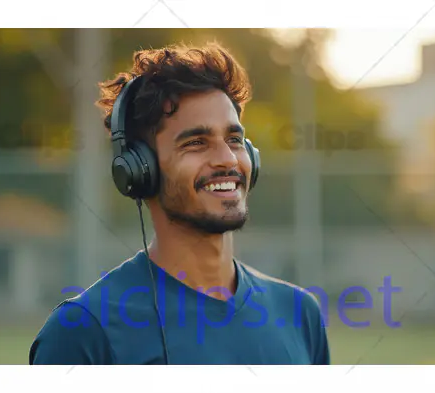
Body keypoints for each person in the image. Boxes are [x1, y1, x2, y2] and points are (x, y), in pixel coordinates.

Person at [29, 43, 330, 365]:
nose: (227, 159)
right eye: (196, 143)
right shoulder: (83, 330)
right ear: (141, 170)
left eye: (234, 140)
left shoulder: (300, 313)